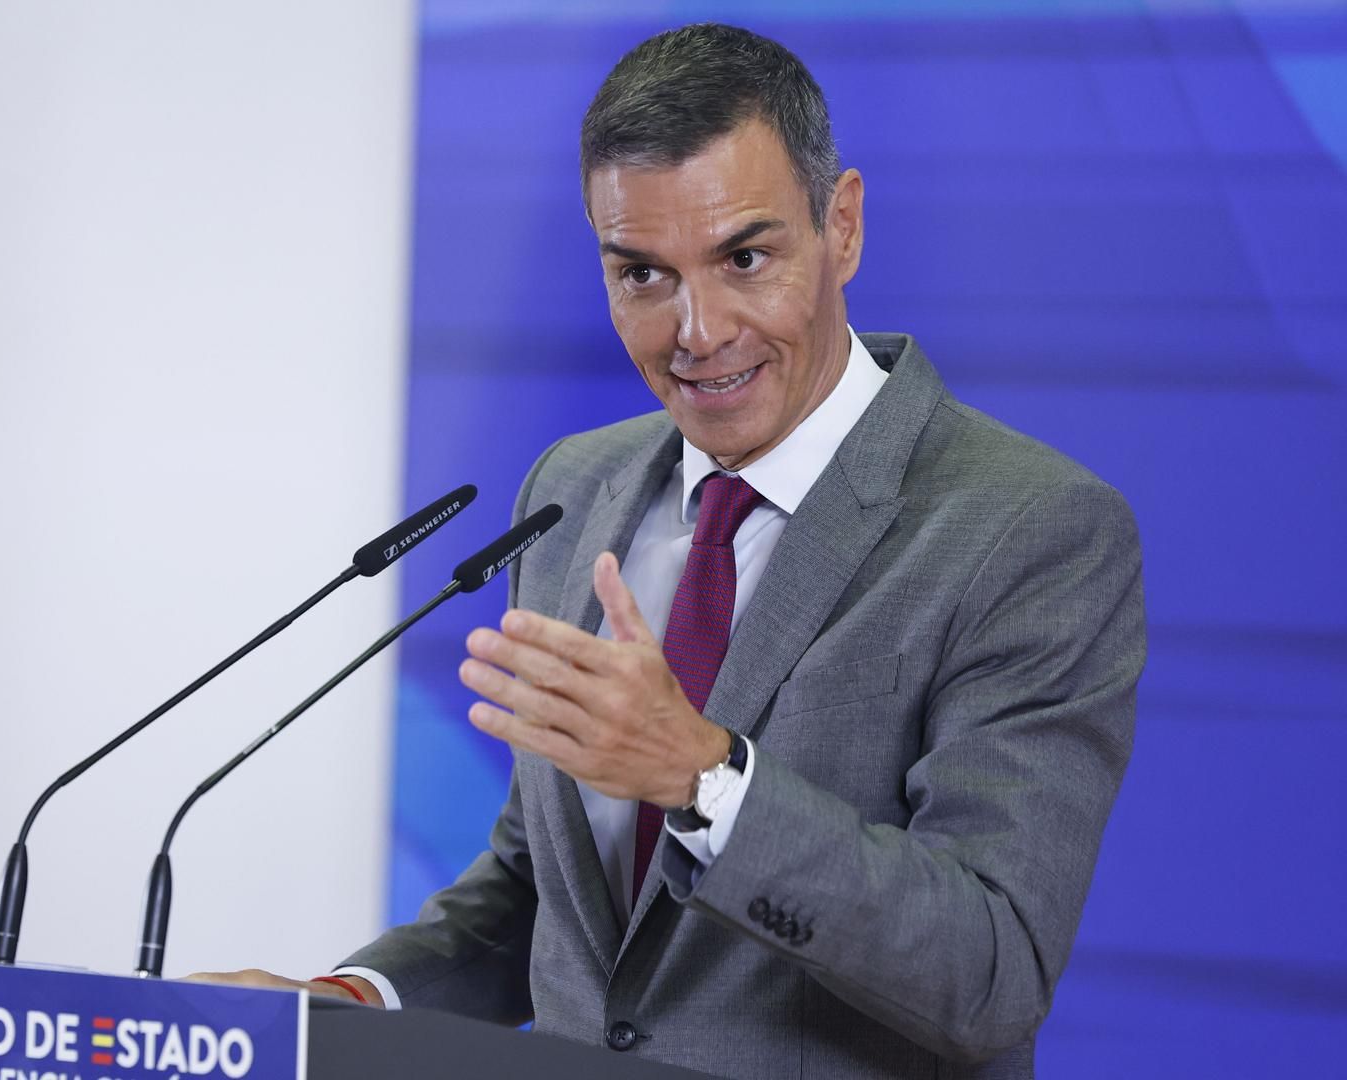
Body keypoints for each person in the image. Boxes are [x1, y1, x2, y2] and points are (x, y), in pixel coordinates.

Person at [194, 23, 1143, 1078]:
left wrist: (703, 778)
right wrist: (351, 1002)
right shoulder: (572, 491)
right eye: (643, 274)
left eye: (745, 259)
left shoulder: (1028, 528)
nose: (697, 330)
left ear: (842, 226)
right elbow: (548, 888)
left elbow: (990, 972)